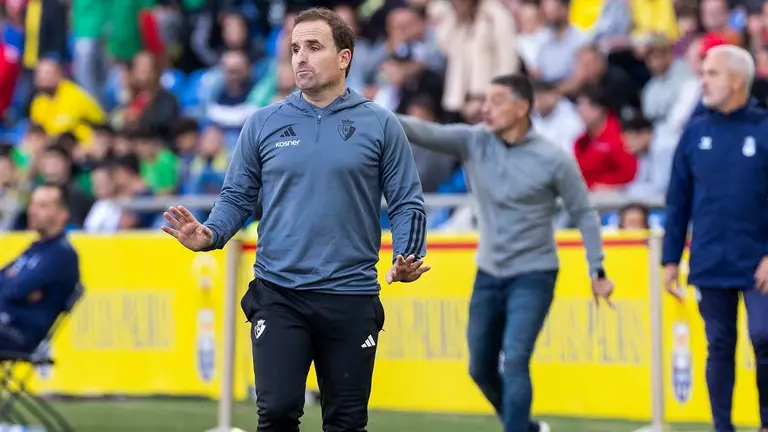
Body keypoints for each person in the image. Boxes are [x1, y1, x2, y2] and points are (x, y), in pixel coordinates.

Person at [162, 7, 429, 432]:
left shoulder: (380, 124)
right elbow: (237, 196)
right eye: (294, 49)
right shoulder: (262, 123)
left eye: (313, 47)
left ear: (344, 57)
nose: (300, 58)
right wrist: (211, 232)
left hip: (351, 295)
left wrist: (407, 255)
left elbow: (406, 201)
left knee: (345, 422)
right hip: (279, 292)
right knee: (278, 412)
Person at [396, 74, 614, 432]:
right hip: (489, 272)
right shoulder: (473, 141)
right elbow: (421, 130)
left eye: (496, 101)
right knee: (479, 368)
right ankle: (526, 427)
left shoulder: (553, 158)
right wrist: (364, 107)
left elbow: (584, 213)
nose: (486, 108)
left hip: (534, 274)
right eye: (485, 100)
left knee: (514, 361)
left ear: (522, 107)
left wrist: (598, 269)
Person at [662, 44, 768, 432]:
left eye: (712, 74)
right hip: (710, 260)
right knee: (719, 346)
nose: (703, 81)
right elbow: (677, 201)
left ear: (737, 80)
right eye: (703, 73)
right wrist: (670, 260)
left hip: (760, 262)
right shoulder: (694, 133)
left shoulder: (764, 127)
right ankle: (722, 427)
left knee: (764, 336)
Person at [0, 184, 79, 353]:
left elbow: (15, 290)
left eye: (42, 206)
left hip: (20, 333)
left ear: (62, 214)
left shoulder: (62, 254)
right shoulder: (35, 247)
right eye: (33, 204)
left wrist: (12, 280)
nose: (32, 210)